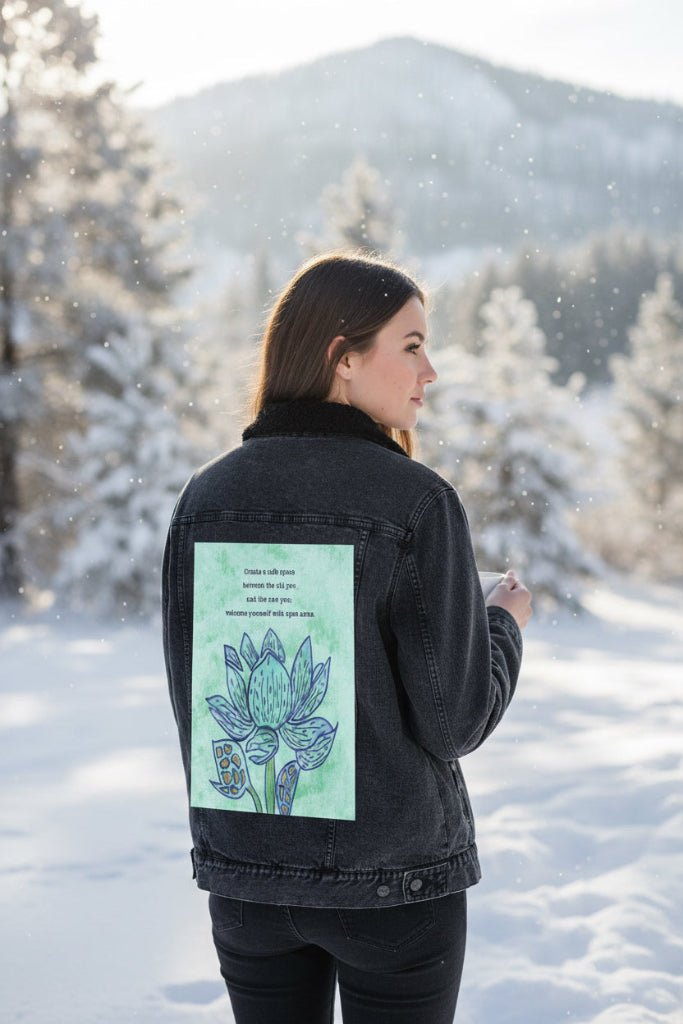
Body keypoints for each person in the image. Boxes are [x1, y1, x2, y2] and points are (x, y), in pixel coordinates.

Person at [162, 251, 532, 1024]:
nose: (428, 371)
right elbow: (455, 720)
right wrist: (499, 625)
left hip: (248, 885)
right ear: (342, 359)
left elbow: (197, 703)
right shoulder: (414, 499)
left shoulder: (206, 496)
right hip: (392, 894)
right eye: (410, 345)